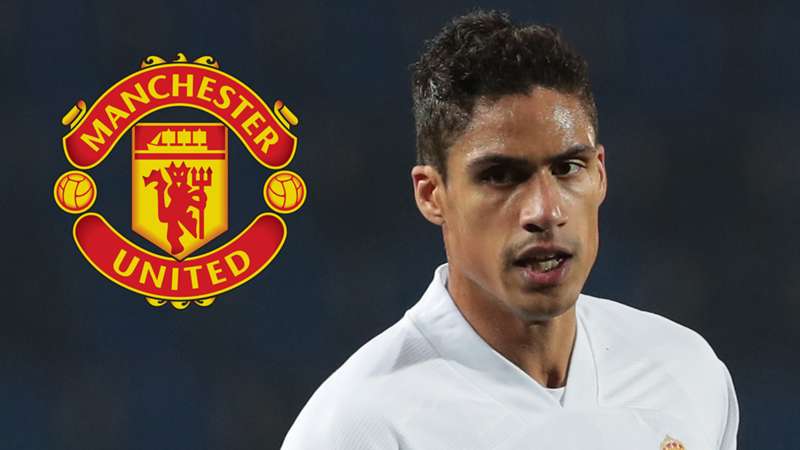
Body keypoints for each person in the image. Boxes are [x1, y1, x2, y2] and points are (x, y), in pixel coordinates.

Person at [282, 10, 739, 450]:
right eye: (500, 176)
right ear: (431, 194)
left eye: (568, 168)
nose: (545, 211)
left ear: (600, 174)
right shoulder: (358, 425)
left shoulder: (687, 372)